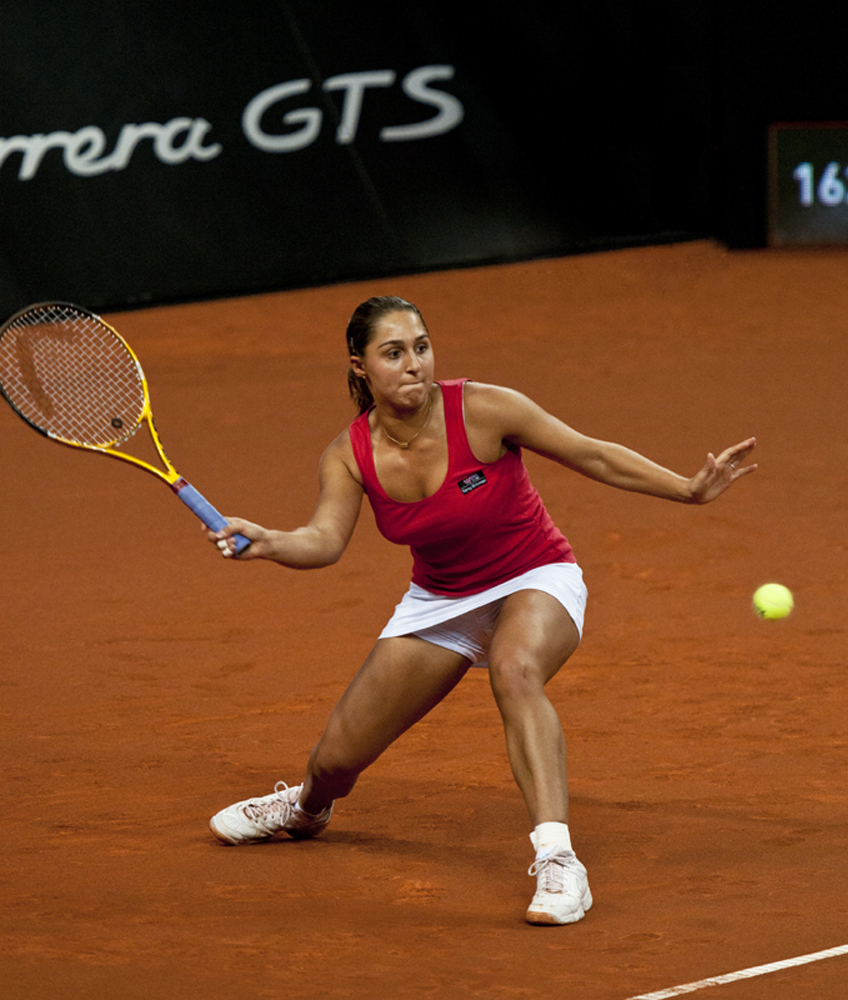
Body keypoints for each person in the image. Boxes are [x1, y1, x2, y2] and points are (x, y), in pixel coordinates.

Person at [207, 295, 757, 925]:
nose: (413, 363)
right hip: (439, 600)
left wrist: (687, 489)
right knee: (335, 759)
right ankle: (305, 809)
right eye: (393, 353)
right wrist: (273, 543)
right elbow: (325, 542)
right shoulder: (349, 453)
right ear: (360, 367)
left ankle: (558, 862)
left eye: (421, 346)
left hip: (535, 574)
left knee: (515, 667)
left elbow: (592, 452)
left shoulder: (485, 408)